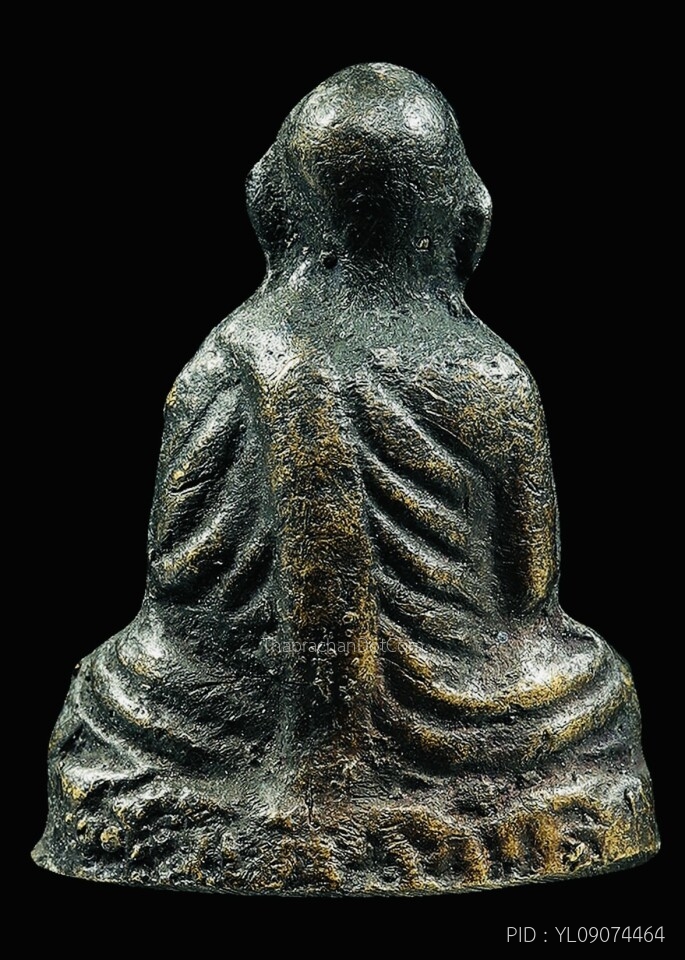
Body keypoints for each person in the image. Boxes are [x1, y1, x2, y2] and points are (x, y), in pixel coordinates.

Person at [34, 63, 658, 895]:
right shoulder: (489, 376)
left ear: (270, 205)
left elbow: (175, 581)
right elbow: (526, 590)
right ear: (466, 214)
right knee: (597, 683)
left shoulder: (218, 361)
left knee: (108, 686)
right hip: (456, 720)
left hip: (221, 715)